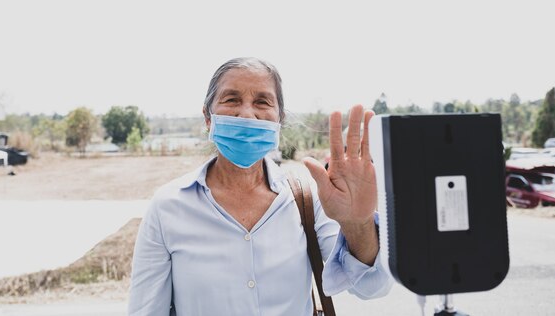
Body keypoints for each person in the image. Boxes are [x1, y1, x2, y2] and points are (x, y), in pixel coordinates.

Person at [128, 57, 393, 316]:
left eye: (262, 101)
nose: (247, 114)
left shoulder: (308, 200)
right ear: (208, 117)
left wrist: (358, 224)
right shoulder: (167, 207)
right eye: (231, 99)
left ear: (280, 119)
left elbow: (372, 288)